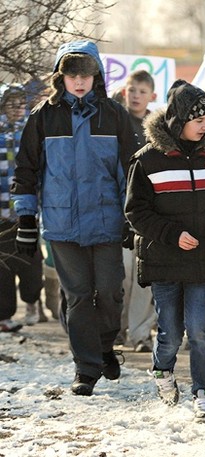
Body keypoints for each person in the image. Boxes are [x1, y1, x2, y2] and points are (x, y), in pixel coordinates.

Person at [11, 40, 138, 395]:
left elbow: (131, 171)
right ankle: (86, 368)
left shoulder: (114, 115)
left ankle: (104, 346)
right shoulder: (43, 117)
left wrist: (132, 217)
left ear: (95, 76)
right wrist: (25, 221)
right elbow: (26, 170)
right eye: (71, 74)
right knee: (79, 296)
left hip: (108, 221)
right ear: (61, 76)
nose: (79, 80)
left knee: (111, 292)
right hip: (61, 224)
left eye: (85, 73)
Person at [124, 79, 205, 424]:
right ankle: (162, 370)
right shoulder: (147, 161)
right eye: (198, 120)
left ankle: (204, 393)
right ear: (178, 120)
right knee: (170, 333)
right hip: (165, 260)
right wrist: (173, 235)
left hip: (203, 259)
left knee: (200, 330)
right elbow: (135, 211)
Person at [0, 84, 43, 331]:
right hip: (2, 212)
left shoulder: (31, 128)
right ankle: (4, 315)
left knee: (30, 262)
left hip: (26, 211)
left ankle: (32, 302)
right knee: (3, 267)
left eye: (20, 103)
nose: (17, 108)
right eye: (11, 103)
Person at [119, 69, 157, 353]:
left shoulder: (156, 128)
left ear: (151, 96)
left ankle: (141, 333)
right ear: (124, 92)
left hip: (147, 213)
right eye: (132, 90)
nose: (136, 96)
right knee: (122, 275)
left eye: (142, 92)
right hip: (119, 210)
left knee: (143, 277)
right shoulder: (115, 121)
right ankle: (117, 328)